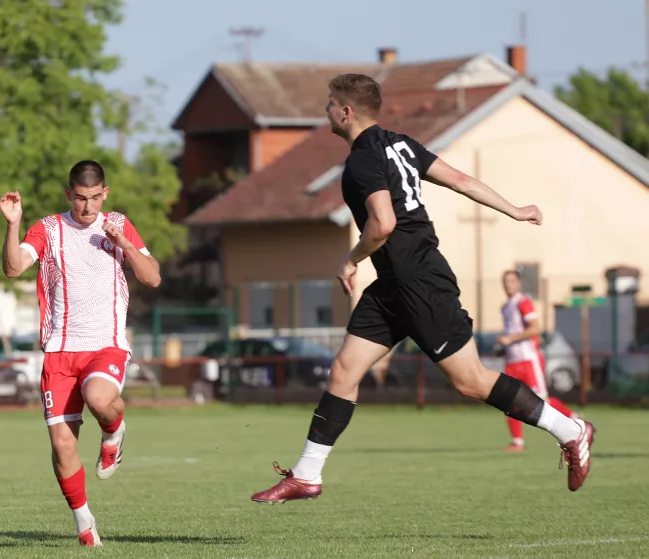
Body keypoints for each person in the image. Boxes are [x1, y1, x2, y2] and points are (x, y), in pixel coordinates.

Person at [251, 74, 595, 504]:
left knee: (470, 382)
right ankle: (307, 474)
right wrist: (514, 209)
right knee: (344, 372)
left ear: (346, 111)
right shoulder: (400, 144)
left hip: (420, 282)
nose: (326, 111)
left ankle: (572, 430)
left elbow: (383, 223)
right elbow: (461, 180)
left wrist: (351, 259)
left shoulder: (361, 160)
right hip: (392, 286)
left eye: (329, 103)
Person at [0, 160, 161, 547]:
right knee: (62, 444)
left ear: (105, 193)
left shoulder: (118, 224)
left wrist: (124, 245)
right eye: (80, 198)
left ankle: (113, 432)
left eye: (94, 198)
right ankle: (84, 521)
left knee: (99, 398)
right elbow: (13, 267)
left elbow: (153, 277)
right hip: (59, 350)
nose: (87, 207)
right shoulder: (49, 229)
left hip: (105, 344)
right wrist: (12, 223)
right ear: (68, 194)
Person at [498, 270, 578, 451]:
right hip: (512, 362)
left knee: (542, 402)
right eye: (505, 281)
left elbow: (535, 328)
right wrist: (505, 347)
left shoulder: (523, 302)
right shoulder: (505, 307)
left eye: (511, 281)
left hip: (528, 361)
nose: (508, 284)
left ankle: (574, 418)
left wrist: (511, 339)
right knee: (508, 401)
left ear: (518, 283)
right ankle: (517, 442)